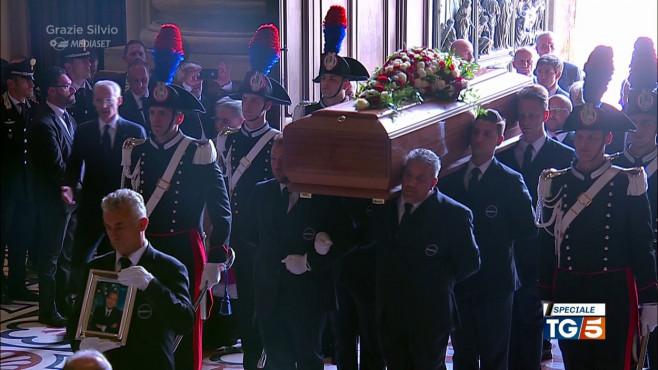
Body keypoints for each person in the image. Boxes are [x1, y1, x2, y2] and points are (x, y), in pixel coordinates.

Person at [536, 50, 657, 368]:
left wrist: (649, 298)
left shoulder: (627, 181)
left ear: (606, 139)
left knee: (612, 364)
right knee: (577, 363)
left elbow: (642, 244)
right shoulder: (556, 182)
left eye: (593, 137)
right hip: (571, 290)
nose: (584, 143)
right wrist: (545, 292)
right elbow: (548, 245)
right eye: (581, 136)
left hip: (613, 293)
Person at [120, 23, 232, 370]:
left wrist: (215, 257)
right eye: (152, 112)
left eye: (163, 114)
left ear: (178, 116)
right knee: (142, 328)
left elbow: (221, 209)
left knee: (185, 331)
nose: (155, 119)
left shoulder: (199, 151)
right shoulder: (135, 150)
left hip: (184, 250)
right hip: (145, 248)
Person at [245, 133, 355, 369]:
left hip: (308, 295)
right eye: (274, 159)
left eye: (284, 159)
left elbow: (349, 237)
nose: (277, 165)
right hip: (269, 293)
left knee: (308, 358)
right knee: (277, 359)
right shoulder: (261, 192)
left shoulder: (323, 196)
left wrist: (310, 260)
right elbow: (251, 236)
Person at [366, 148, 480, 369]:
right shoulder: (384, 208)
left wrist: (436, 279)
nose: (410, 183)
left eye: (420, 178)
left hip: (430, 315)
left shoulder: (454, 214)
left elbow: (470, 262)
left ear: (433, 182)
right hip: (391, 313)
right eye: (408, 175)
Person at [440, 109, 537, 370]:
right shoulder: (451, 179)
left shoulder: (510, 180)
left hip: (496, 283)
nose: (479, 139)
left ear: (499, 139)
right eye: (476, 132)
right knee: (463, 353)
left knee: (494, 355)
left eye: (487, 134)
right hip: (462, 282)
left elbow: (527, 230)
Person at [220, 24, 291, 370]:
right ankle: (250, 356)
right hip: (235, 234)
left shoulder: (277, 141)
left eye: (256, 101)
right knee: (243, 302)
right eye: (245, 99)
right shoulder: (228, 139)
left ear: (266, 105)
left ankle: (262, 356)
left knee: (264, 303)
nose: (248, 105)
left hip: (264, 238)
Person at [67, 189, 195, 370]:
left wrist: (152, 285)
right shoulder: (96, 268)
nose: (113, 235)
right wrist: (80, 346)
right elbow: (75, 321)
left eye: (120, 226)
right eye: (108, 227)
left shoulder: (169, 268)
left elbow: (185, 322)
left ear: (142, 224)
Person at [495, 84, 574, 369]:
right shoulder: (504, 155)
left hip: (547, 252)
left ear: (545, 115)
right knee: (512, 322)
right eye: (522, 116)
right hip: (513, 252)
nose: (526, 122)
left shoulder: (565, 157)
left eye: (532, 115)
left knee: (546, 324)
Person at [62, 80, 146, 297]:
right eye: (99, 100)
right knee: (81, 257)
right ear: (94, 103)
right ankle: (79, 304)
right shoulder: (84, 131)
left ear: (118, 101)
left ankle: (117, 307)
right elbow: (73, 165)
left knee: (119, 257)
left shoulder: (135, 131)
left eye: (108, 99)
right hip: (92, 206)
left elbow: (144, 171)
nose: (104, 105)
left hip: (123, 208)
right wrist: (69, 187)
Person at [613, 36, 658, 370]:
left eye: (646, 123)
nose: (637, 130)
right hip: (611, 283)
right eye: (632, 122)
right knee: (601, 355)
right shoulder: (606, 170)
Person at [28, 66, 79, 327]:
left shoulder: (68, 118)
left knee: (66, 256)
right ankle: (47, 309)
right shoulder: (42, 123)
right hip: (53, 202)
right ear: (51, 90)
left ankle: (63, 302)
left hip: (70, 202)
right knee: (50, 257)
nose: (72, 90)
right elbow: (57, 166)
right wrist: (74, 185)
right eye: (66, 86)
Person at [1, 58, 39, 302]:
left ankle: (17, 284)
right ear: (11, 83)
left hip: (26, 188)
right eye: (25, 80)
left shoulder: (32, 109)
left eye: (30, 79)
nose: (30, 84)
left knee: (21, 239)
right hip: (4, 189)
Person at [292, 5, 369, 121]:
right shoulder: (304, 113)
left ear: (346, 84)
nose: (325, 84)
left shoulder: (358, 115)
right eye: (323, 78)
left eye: (333, 79)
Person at [63, 48, 96, 124]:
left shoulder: (96, 89)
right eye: (83, 61)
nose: (89, 64)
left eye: (88, 60)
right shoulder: (62, 93)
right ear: (69, 67)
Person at [118, 60, 151, 132]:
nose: (140, 85)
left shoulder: (158, 98)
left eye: (143, 80)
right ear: (128, 80)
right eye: (135, 81)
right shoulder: (121, 105)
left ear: (149, 77)